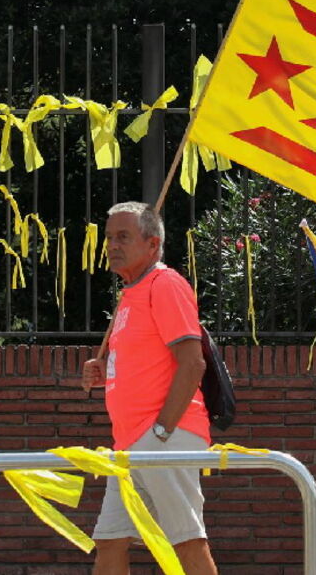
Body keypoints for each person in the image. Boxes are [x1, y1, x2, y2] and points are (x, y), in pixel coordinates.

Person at [81, 201, 218, 575]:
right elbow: (145, 362)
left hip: (162, 437)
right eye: (109, 237)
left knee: (187, 540)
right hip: (131, 443)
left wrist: (160, 431)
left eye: (123, 237)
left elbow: (193, 363)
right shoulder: (132, 293)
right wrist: (104, 369)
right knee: (110, 540)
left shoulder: (166, 284)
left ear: (152, 244)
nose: (112, 245)